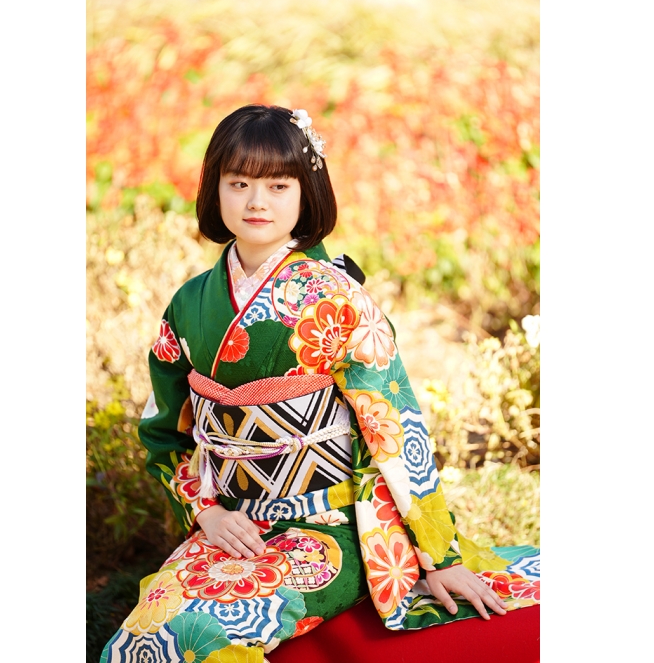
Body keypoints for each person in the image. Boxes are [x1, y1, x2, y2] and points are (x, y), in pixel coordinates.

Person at [100, 105, 540, 663]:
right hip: (230, 523)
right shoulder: (188, 304)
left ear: (306, 193)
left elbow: (394, 429)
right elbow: (164, 427)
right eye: (239, 184)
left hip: (329, 528)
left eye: (278, 186)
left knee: (195, 637)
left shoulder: (338, 299)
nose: (257, 202)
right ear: (215, 190)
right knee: (141, 638)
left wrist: (441, 556)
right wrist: (206, 511)